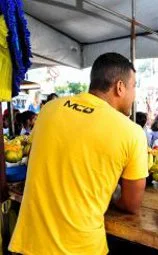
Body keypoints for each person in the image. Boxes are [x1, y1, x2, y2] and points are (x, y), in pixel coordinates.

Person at [9, 53, 148, 255]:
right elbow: (132, 204)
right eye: (134, 86)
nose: (135, 94)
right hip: (80, 249)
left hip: (28, 244)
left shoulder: (49, 109)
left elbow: (36, 162)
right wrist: (112, 192)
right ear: (120, 87)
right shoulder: (132, 132)